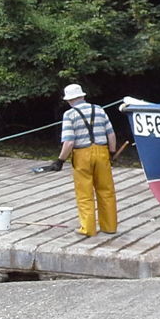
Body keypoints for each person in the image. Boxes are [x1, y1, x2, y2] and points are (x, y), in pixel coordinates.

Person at [52, 83, 119, 236]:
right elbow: (111, 135)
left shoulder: (69, 115)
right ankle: (109, 227)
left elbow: (69, 142)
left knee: (85, 193)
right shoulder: (99, 110)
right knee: (106, 191)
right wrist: (112, 153)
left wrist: (60, 160)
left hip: (82, 154)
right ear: (82, 96)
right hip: (102, 152)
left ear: (69, 100)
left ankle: (88, 228)